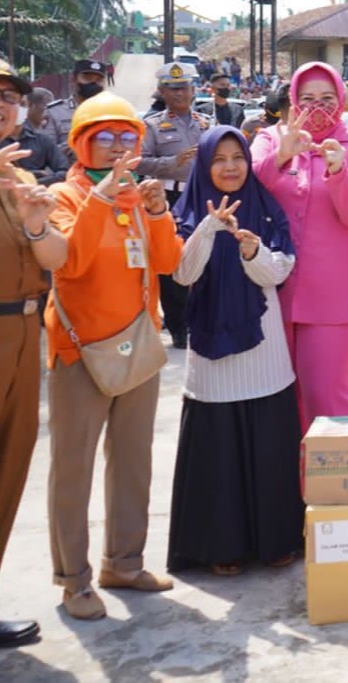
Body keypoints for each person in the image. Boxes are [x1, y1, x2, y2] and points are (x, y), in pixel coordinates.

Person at [45, 92, 182, 621]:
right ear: (82, 144)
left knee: (133, 461)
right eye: (105, 138)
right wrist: (102, 199)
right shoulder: (63, 197)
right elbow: (70, 264)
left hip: (137, 349)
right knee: (72, 466)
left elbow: (167, 262)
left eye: (128, 139)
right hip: (80, 354)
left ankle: (123, 562)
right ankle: (73, 579)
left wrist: (157, 210)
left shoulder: (135, 202)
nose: (119, 149)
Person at [165, 126, 302, 575]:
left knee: (268, 447)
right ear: (205, 166)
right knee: (219, 454)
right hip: (210, 359)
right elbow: (183, 274)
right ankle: (220, 547)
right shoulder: (186, 213)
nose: (229, 167)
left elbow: (278, 273)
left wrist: (253, 250)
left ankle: (276, 538)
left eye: (237, 157)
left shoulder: (264, 211)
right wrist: (209, 227)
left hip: (264, 355)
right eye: (219, 159)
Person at [251, 61, 348, 430]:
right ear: (292, 101)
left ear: (341, 100)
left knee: (328, 399)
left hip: (335, 299)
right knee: (277, 404)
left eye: (327, 98)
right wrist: (281, 155)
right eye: (307, 99)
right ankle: (284, 485)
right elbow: (246, 187)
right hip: (272, 291)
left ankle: (331, 486)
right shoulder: (270, 139)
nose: (317, 107)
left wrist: (339, 173)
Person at [0, 62, 68, 648]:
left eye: (9, 96)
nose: (3, 104)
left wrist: (37, 222)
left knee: (9, 467)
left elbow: (53, 262)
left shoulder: (20, 174)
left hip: (24, 333)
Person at [137, 62, 211, 349]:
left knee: (203, 259)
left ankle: (201, 317)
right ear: (162, 91)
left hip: (200, 198)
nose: (179, 93)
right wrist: (172, 162)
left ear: (193, 90)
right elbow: (140, 161)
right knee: (170, 263)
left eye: (184, 88)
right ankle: (179, 326)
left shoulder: (207, 124)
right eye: (172, 88)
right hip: (167, 199)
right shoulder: (152, 125)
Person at [0, 86, 66, 186]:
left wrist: (33, 183)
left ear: (29, 107)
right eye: (11, 101)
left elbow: (64, 172)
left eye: (22, 104)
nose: (17, 108)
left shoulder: (43, 140)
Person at [43, 58, 110, 156]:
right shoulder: (54, 112)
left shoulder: (111, 113)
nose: (93, 84)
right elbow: (46, 150)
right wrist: (79, 143)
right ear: (73, 79)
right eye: (87, 78)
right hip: (67, 169)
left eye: (99, 80)